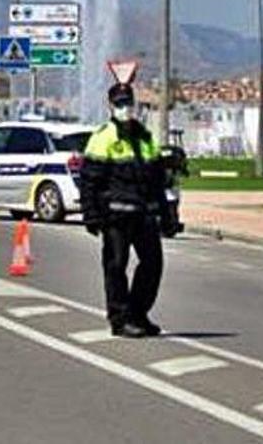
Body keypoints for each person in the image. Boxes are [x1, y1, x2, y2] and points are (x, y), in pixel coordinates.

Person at [80, 83, 177, 338]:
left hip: (144, 215)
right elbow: (90, 179)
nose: (126, 108)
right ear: (111, 106)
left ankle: (138, 313)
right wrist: (90, 214)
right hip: (116, 216)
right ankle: (120, 319)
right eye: (120, 103)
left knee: (153, 264)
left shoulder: (145, 137)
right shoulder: (103, 137)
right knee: (116, 266)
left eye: (128, 103)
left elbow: (157, 181)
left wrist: (167, 215)